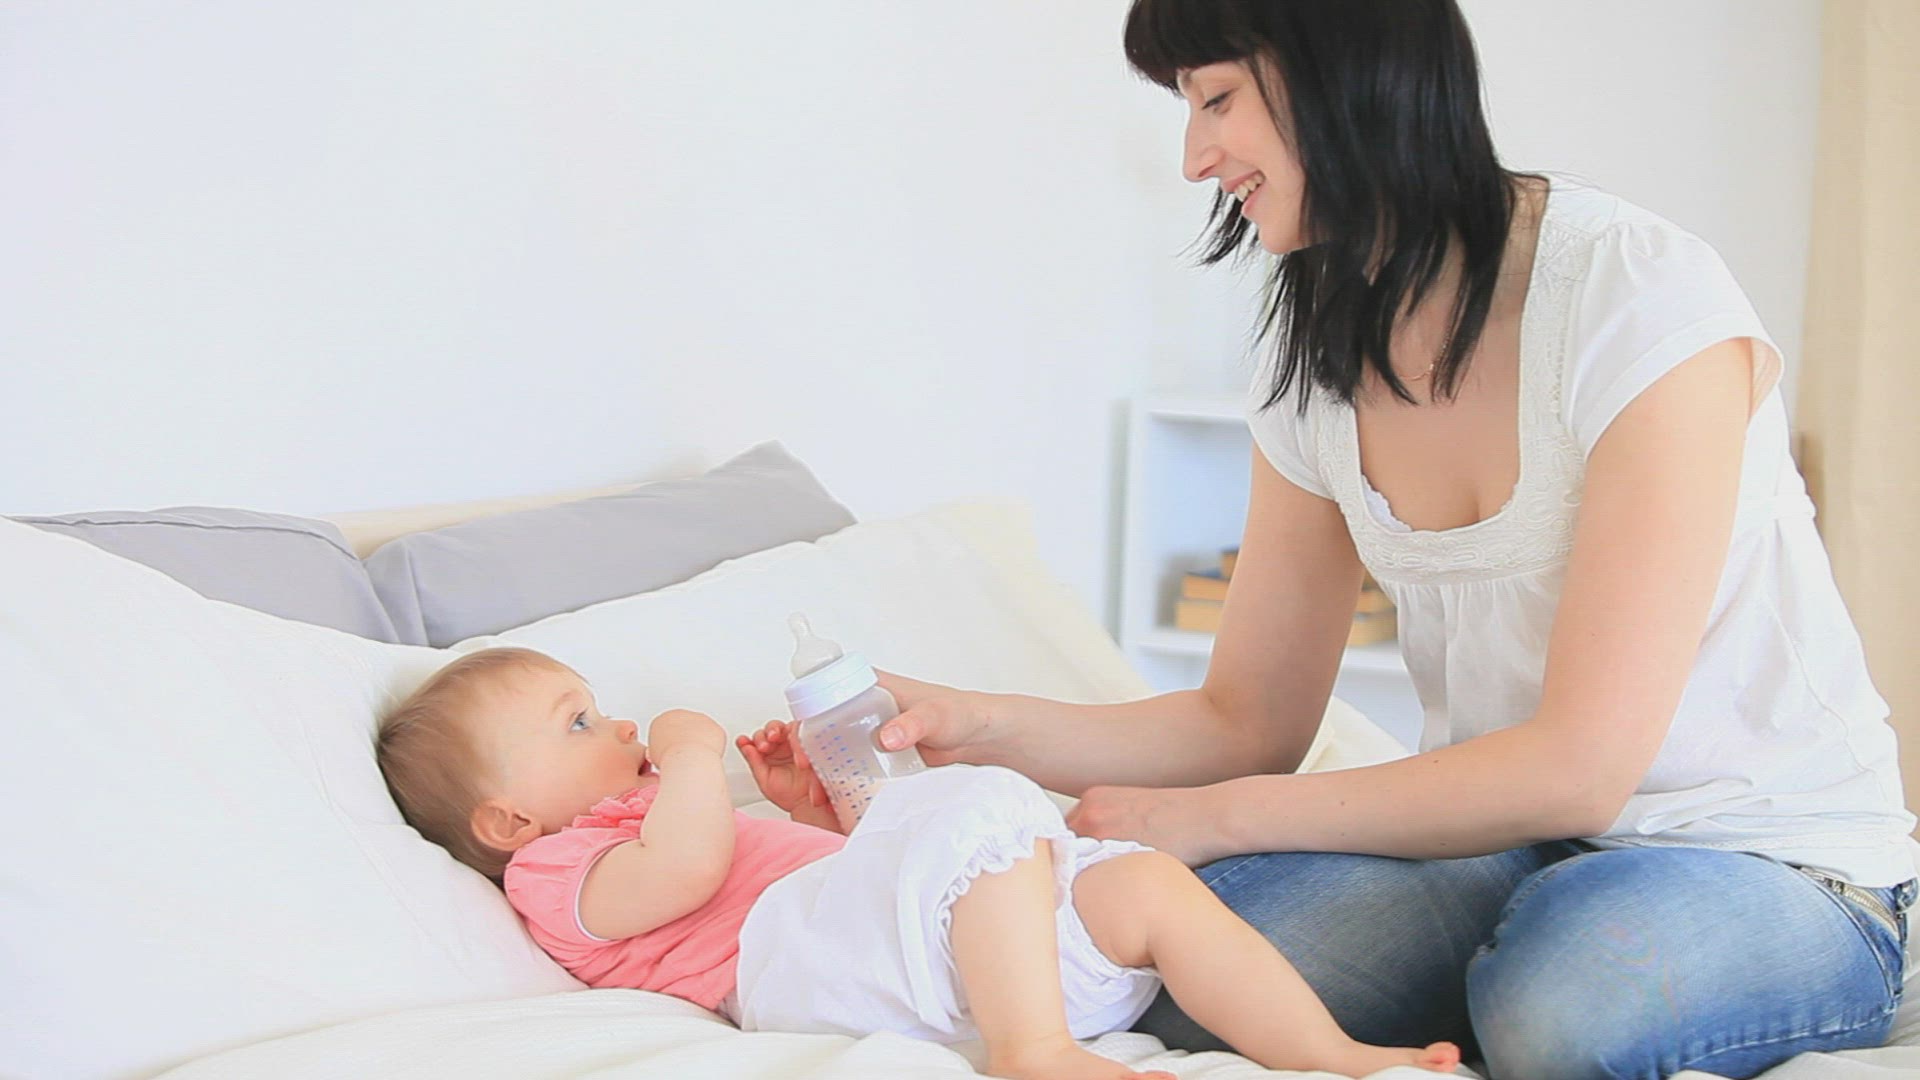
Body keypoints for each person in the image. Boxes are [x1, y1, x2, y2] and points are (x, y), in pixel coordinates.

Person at [871, 3, 1916, 1079]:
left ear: (1344, 70)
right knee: (1185, 963)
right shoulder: (1318, 345)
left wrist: (1217, 818)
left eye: (1217, 99)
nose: (1195, 159)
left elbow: (1581, 768)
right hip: (1507, 844)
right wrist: (970, 727)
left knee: (1563, 1011)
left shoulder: (1636, 296)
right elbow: (1246, 720)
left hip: (1772, 860)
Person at [374, 646, 1460, 1080]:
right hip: (789, 972)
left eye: (603, 708)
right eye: (577, 723)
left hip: (915, 959)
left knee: (1139, 881)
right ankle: (1034, 1053)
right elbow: (691, 874)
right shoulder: (557, 869)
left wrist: (808, 814)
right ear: (508, 821)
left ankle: (1333, 1056)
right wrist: (697, 754)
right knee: (971, 799)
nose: (619, 727)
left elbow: (906, 890)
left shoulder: (650, 816)